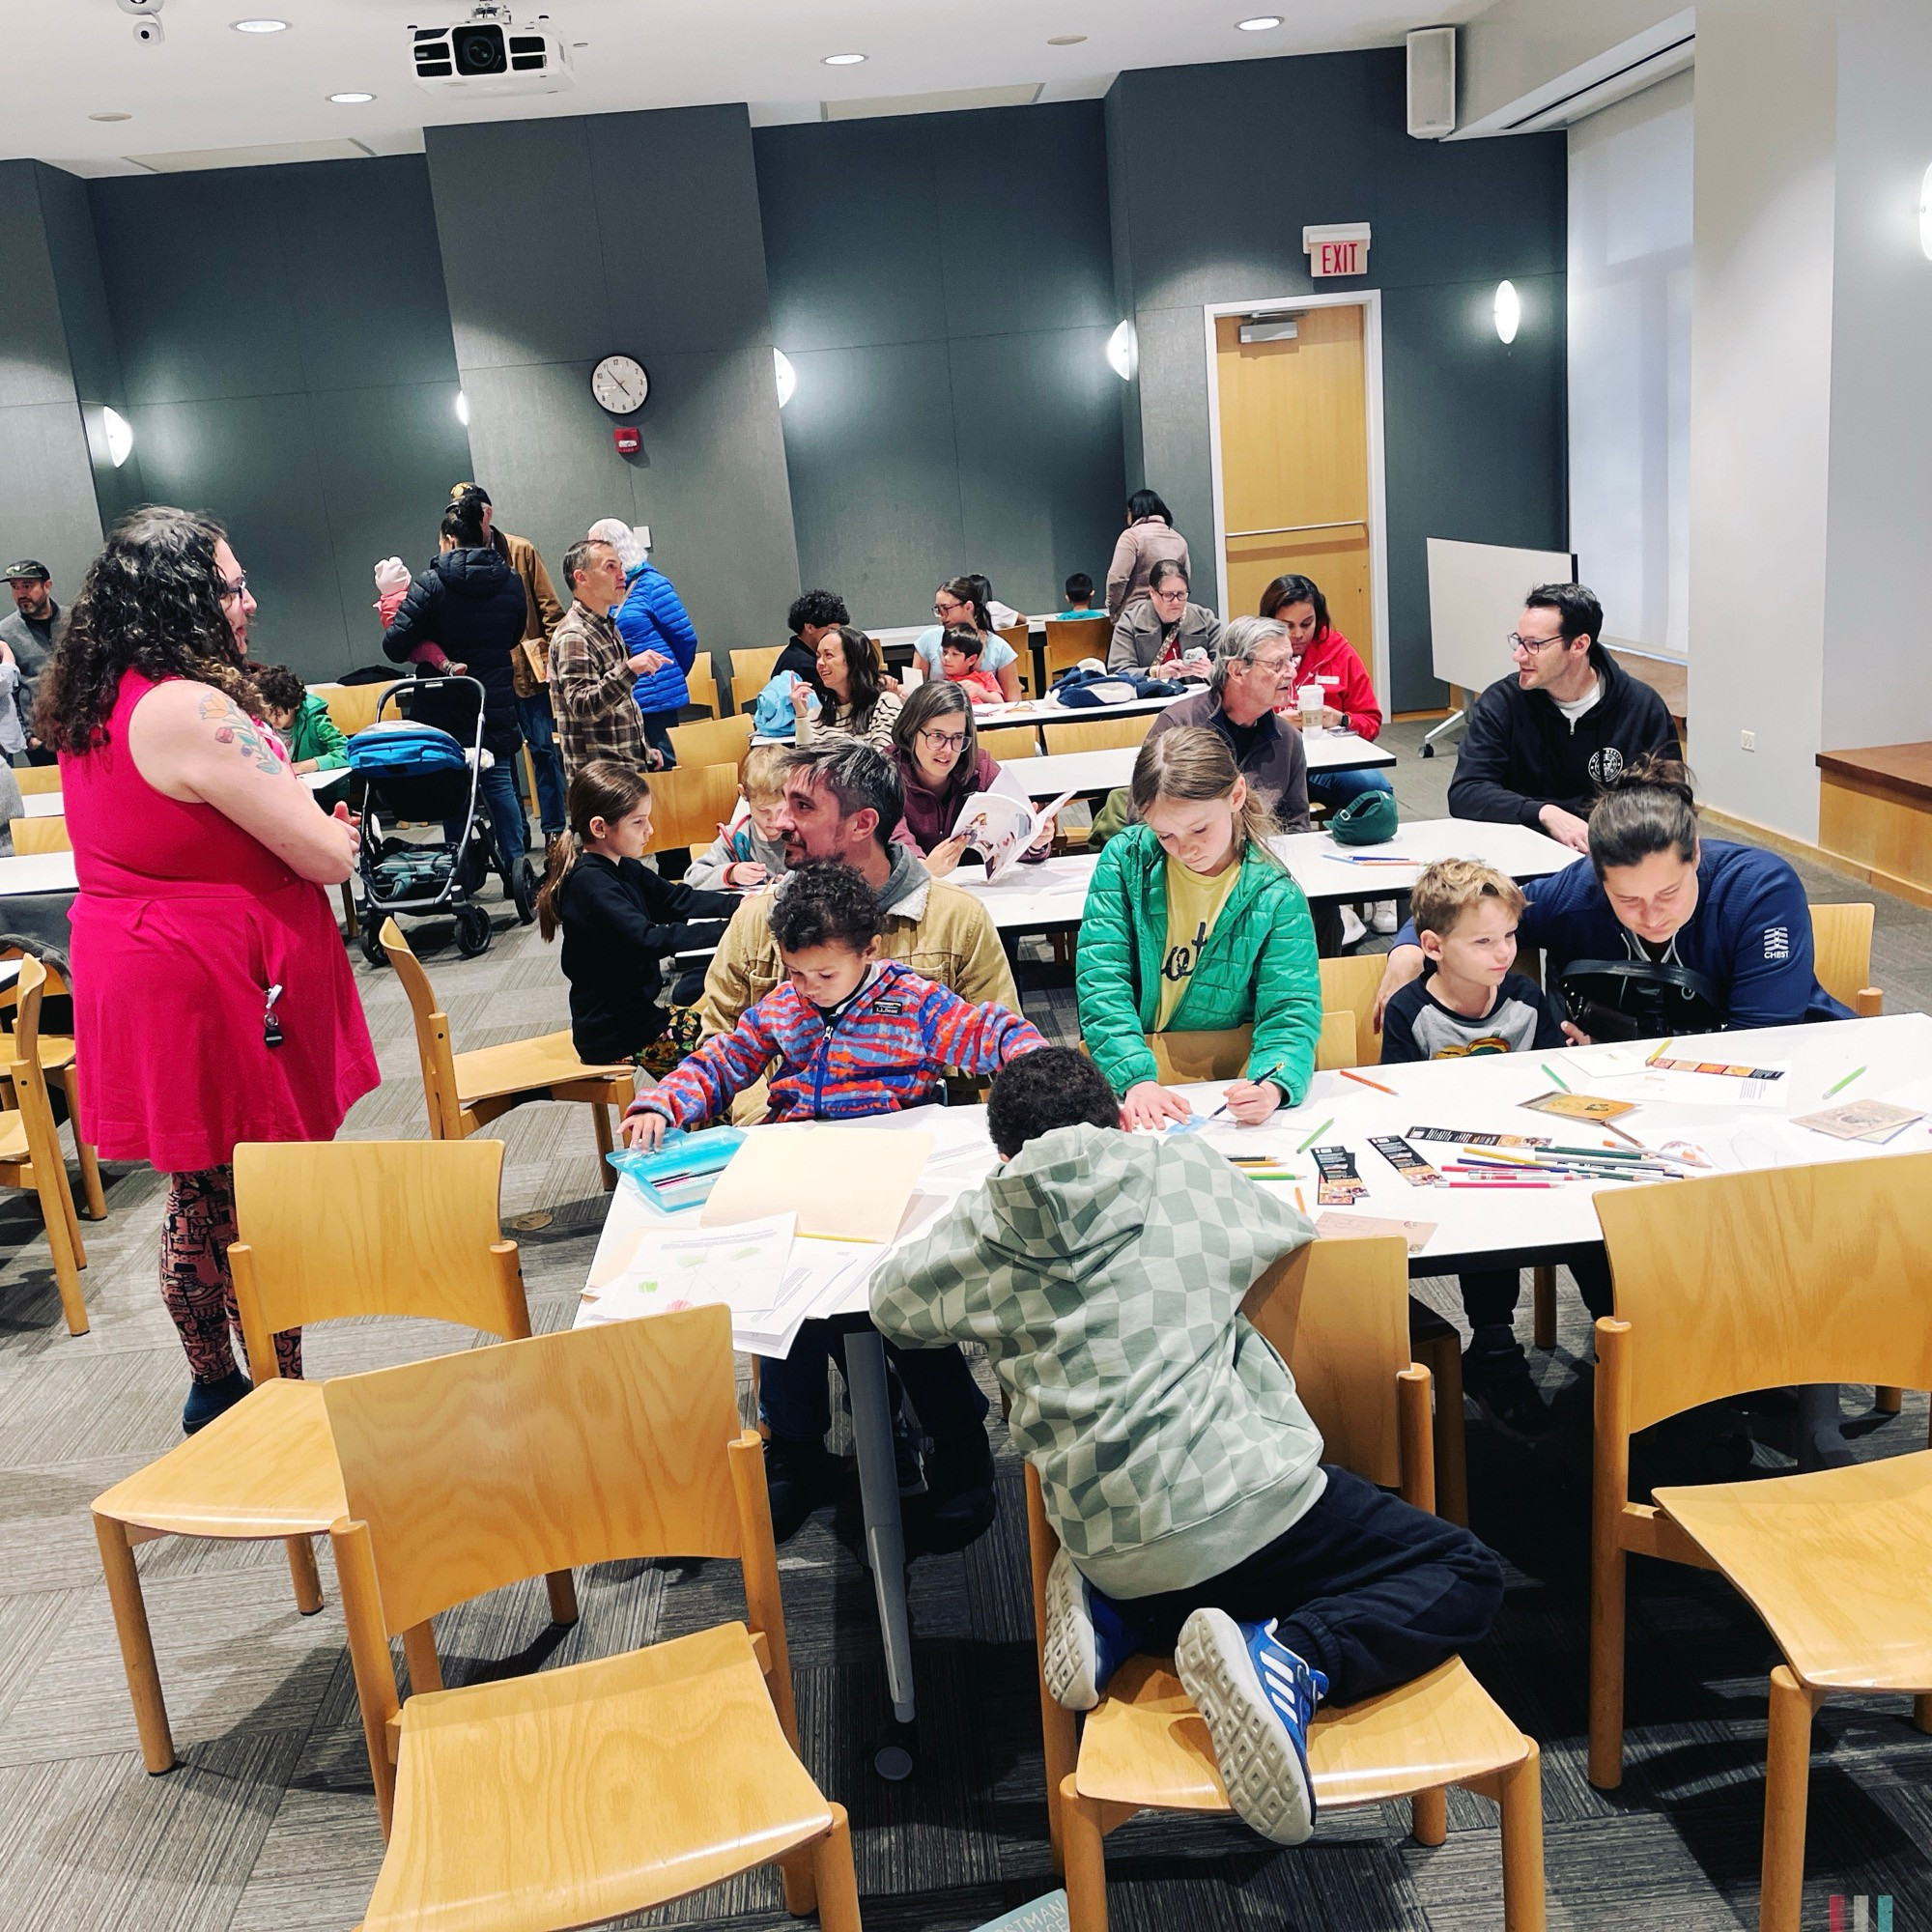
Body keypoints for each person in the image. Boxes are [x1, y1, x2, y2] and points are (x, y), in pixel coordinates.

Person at [870, 1046, 1505, 1847]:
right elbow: (1286, 1227)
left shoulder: (982, 1227)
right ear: (1116, 1119)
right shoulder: (1181, 1172)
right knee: (1467, 1571)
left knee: (1159, 1552)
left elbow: (892, 1304)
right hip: (1246, 1504)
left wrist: (984, 1208)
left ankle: (1119, 1616)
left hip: (1105, 1537)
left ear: (1004, 1154)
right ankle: (1294, 1656)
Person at [1375, 760, 1854, 1458]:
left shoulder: (1758, 888)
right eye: (1627, 901)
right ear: (1598, 880)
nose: (1651, 917)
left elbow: (1760, 1052)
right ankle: (1670, 1360)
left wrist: (1625, 1063)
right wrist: (1402, 950)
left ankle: (1768, 1367)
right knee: (1592, 1197)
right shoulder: (1576, 893)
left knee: (1767, 1205)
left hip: (1773, 1092)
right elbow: (1474, 908)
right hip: (1638, 1105)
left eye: (1669, 894)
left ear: (1697, 857)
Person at [40, 508, 377, 1433]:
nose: (249, 601)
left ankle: (219, 1386)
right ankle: (282, 1401)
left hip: (149, 962)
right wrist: (326, 834)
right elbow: (325, 856)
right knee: (259, 1202)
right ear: (179, 601)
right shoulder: (189, 706)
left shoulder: (98, 698)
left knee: (201, 1191)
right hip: (208, 977)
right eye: (231, 586)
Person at [624, 858, 1042, 1145]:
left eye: (826, 975)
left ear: (870, 950)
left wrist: (1039, 1065)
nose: (809, 988)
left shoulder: (913, 1003)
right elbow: (723, 1061)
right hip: (800, 1144)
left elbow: (991, 1033)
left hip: (891, 1147)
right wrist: (663, 1103)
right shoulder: (784, 1006)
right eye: (795, 972)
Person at [1378, 861, 1571, 1438]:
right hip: (1446, 1162)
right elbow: (1401, 1106)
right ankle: (1493, 1347)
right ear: (1433, 947)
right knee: (1485, 1207)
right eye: (1483, 941)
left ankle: (1619, 1329)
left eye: (1509, 936)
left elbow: (1552, 1086)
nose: (1504, 952)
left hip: (1524, 1150)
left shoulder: (1526, 999)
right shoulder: (1411, 1012)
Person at [1076, 726, 1321, 1131]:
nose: (1185, 848)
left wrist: (1272, 1086)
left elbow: (1290, 1011)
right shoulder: (1125, 860)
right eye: (1165, 835)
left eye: (1200, 829)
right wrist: (1136, 1078)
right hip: (1133, 1078)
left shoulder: (1276, 895)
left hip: (1223, 1081)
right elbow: (1102, 982)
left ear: (1236, 796)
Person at [699, 740, 1018, 1050]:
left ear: (862, 824)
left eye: (803, 806)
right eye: (784, 803)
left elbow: (1004, 1044)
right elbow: (717, 1047)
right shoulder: (756, 920)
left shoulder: (958, 918)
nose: (781, 822)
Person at [1448, 582, 1680, 855]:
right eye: (1519, 641)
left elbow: (1671, 802)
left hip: (1609, 855)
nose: (1518, 655)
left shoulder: (1642, 707)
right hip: (1524, 850)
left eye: (1534, 644)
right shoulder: (1502, 702)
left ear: (1579, 645)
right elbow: (1466, 792)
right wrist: (1545, 813)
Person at [536, 760, 737, 1068]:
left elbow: (676, 900)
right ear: (600, 827)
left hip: (637, 1017)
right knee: (718, 1064)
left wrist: (739, 905)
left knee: (725, 1037)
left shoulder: (622, 866)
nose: (650, 830)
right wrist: (732, 929)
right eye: (638, 822)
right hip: (615, 1034)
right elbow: (648, 939)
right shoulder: (591, 886)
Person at [382, 497, 532, 885]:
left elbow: (395, 646)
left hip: (442, 703)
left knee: (451, 787)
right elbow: (513, 634)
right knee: (499, 782)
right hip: (492, 697)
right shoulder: (510, 581)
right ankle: (517, 867)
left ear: (449, 539)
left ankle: (461, 870)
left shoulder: (429, 584)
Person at [1260, 572, 1396, 943]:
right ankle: (1329, 900)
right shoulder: (1258, 655)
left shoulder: (1338, 651)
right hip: (1278, 762)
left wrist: (1341, 719)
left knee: (1375, 790)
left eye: (1306, 623)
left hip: (1331, 764)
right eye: (1286, 626)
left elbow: (1371, 721)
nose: (1297, 634)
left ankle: (1382, 890)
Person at [454, 484, 567, 851]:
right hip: (487, 677)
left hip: (529, 674)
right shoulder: (454, 556)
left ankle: (553, 829)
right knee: (501, 758)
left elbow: (550, 609)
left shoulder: (521, 550)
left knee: (543, 750)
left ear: (486, 514)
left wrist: (552, 662)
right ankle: (516, 831)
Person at [1142, 615, 1312, 831]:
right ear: (1237, 671)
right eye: (1277, 664)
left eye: (1291, 660)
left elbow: (1297, 825)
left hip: (1263, 850)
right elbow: (1142, 818)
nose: (1292, 673)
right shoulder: (1178, 725)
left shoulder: (1288, 739)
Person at [888, 680, 1050, 879]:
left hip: (976, 887)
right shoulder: (885, 773)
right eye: (937, 736)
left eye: (958, 737)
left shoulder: (981, 768)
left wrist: (1034, 842)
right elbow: (894, 839)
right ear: (910, 731)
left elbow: (1011, 845)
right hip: (910, 889)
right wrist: (924, 871)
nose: (948, 750)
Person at [549, 537, 647, 785]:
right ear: (581, 577)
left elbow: (619, 708)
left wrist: (643, 752)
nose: (622, 575)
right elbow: (583, 707)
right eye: (610, 567)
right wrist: (629, 669)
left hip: (623, 769)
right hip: (601, 781)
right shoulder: (574, 635)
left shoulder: (605, 626)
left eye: (620, 566)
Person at [601, 521, 699, 769]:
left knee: (664, 770)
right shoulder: (606, 591)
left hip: (655, 695)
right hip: (623, 696)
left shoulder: (653, 585)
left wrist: (668, 675)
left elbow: (685, 639)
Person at [686, 744, 793, 890]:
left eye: (782, 810)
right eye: (763, 810)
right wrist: (732, 873)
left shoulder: (805, 835)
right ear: (743, 794)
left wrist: (802, 880)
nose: (774, 820)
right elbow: (692, 879)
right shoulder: (736, 838)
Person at [793, 623, 902, 753]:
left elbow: (885, 759)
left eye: (828, 655)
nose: (820, 663)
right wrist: (801, 717)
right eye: (818, 656)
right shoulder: (816, 715)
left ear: (853, 660)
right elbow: (804, 762)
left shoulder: (885, 704)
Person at [909, 579, 1022, 700]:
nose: (941, 616)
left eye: (946, 608)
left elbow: (1014, 702)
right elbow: (914, 691)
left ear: (968, 607)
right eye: (938, 609)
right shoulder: (928, 640)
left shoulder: (1000, 648)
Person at [1109, 559, 1222, 673]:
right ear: (1152, 593)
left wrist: (1211, 672)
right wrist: (1156, 673)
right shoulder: (1129, 623)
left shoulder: (1206, 620)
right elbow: (1119, 671)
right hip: (1149, 685)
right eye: (1168, 595)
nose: (1176, 601)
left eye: (1181, 594)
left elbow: (1225, 669)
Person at [2, 559, 62, 763]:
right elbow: (7, 689)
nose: (20, 594)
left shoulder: (74, 621)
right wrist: (27, 736)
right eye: (15, 587)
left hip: (80, 729)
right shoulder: (5, 633)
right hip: (41, 738)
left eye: (27, 586)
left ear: (47, 586)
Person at [251, 664, 349, 781]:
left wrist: (301, 767)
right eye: (266, 714)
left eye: (278, 714)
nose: (272, 720)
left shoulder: (315, 719)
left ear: (294, 704)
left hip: (321, 786)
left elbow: (346, 752)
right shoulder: (261, 724)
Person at [1104, 489, 1191, 619]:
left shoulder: (1131, 536)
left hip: (1136, 615)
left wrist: (1113, 607)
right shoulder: (1179, 540)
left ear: (1134, 512)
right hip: (1170, 614)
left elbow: (1118, 579)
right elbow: (1184, 579)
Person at [777, 588, 849, 683]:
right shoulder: (803, 665)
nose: (835, 636)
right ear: (810, 628)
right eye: (831, 630)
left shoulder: (794, 653)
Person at [938, 626, 1004, 706]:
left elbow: (1000, 703)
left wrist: (978, 691)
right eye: (945, 652)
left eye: (955, 654)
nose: (946, 658)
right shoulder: (943, 684)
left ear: (971, 660)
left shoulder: (986, 677)